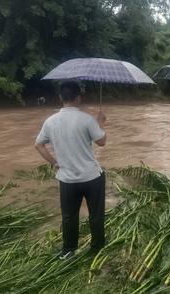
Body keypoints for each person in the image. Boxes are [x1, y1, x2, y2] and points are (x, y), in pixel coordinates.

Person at [35, 81, 107, 259]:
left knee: (69, 216)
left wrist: (54, 162)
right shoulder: (87, 119)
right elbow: (102, 142)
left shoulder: (50, 121)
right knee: (96, 215)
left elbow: (38, 145)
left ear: (60, 97)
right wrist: (100, 123)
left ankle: (68, 250)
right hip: (92, 177)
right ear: (78, 98)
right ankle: (96, 249)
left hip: (67, 179)